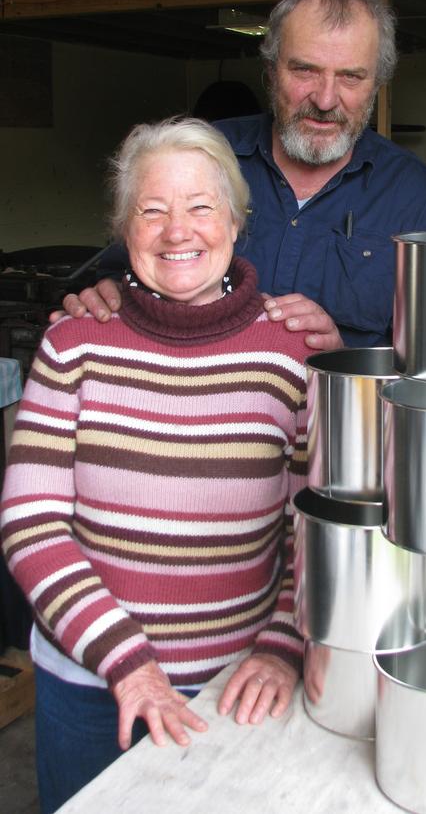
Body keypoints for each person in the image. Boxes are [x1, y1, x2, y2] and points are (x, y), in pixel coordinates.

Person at [1, 116, 314, 814]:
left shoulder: (288, 355)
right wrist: (127, 661)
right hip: (87, 684)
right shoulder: (74, 345)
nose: (179, 231)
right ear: (124, 229)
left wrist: (282, 644)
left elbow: (311, 530)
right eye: (152, 210)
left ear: (235, 221)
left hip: (233, 686)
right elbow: (30, 524)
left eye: (201, 207)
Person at [56, 0, 426, 348]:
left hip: (334, 422)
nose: (324, 100)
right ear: (271, 71)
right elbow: (122, 269)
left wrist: (346, 363)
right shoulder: (202, 157)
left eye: (350, 77)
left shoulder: (418, 201)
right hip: (196, 417)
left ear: (375, 83)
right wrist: (109, 292)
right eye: (305, 70)